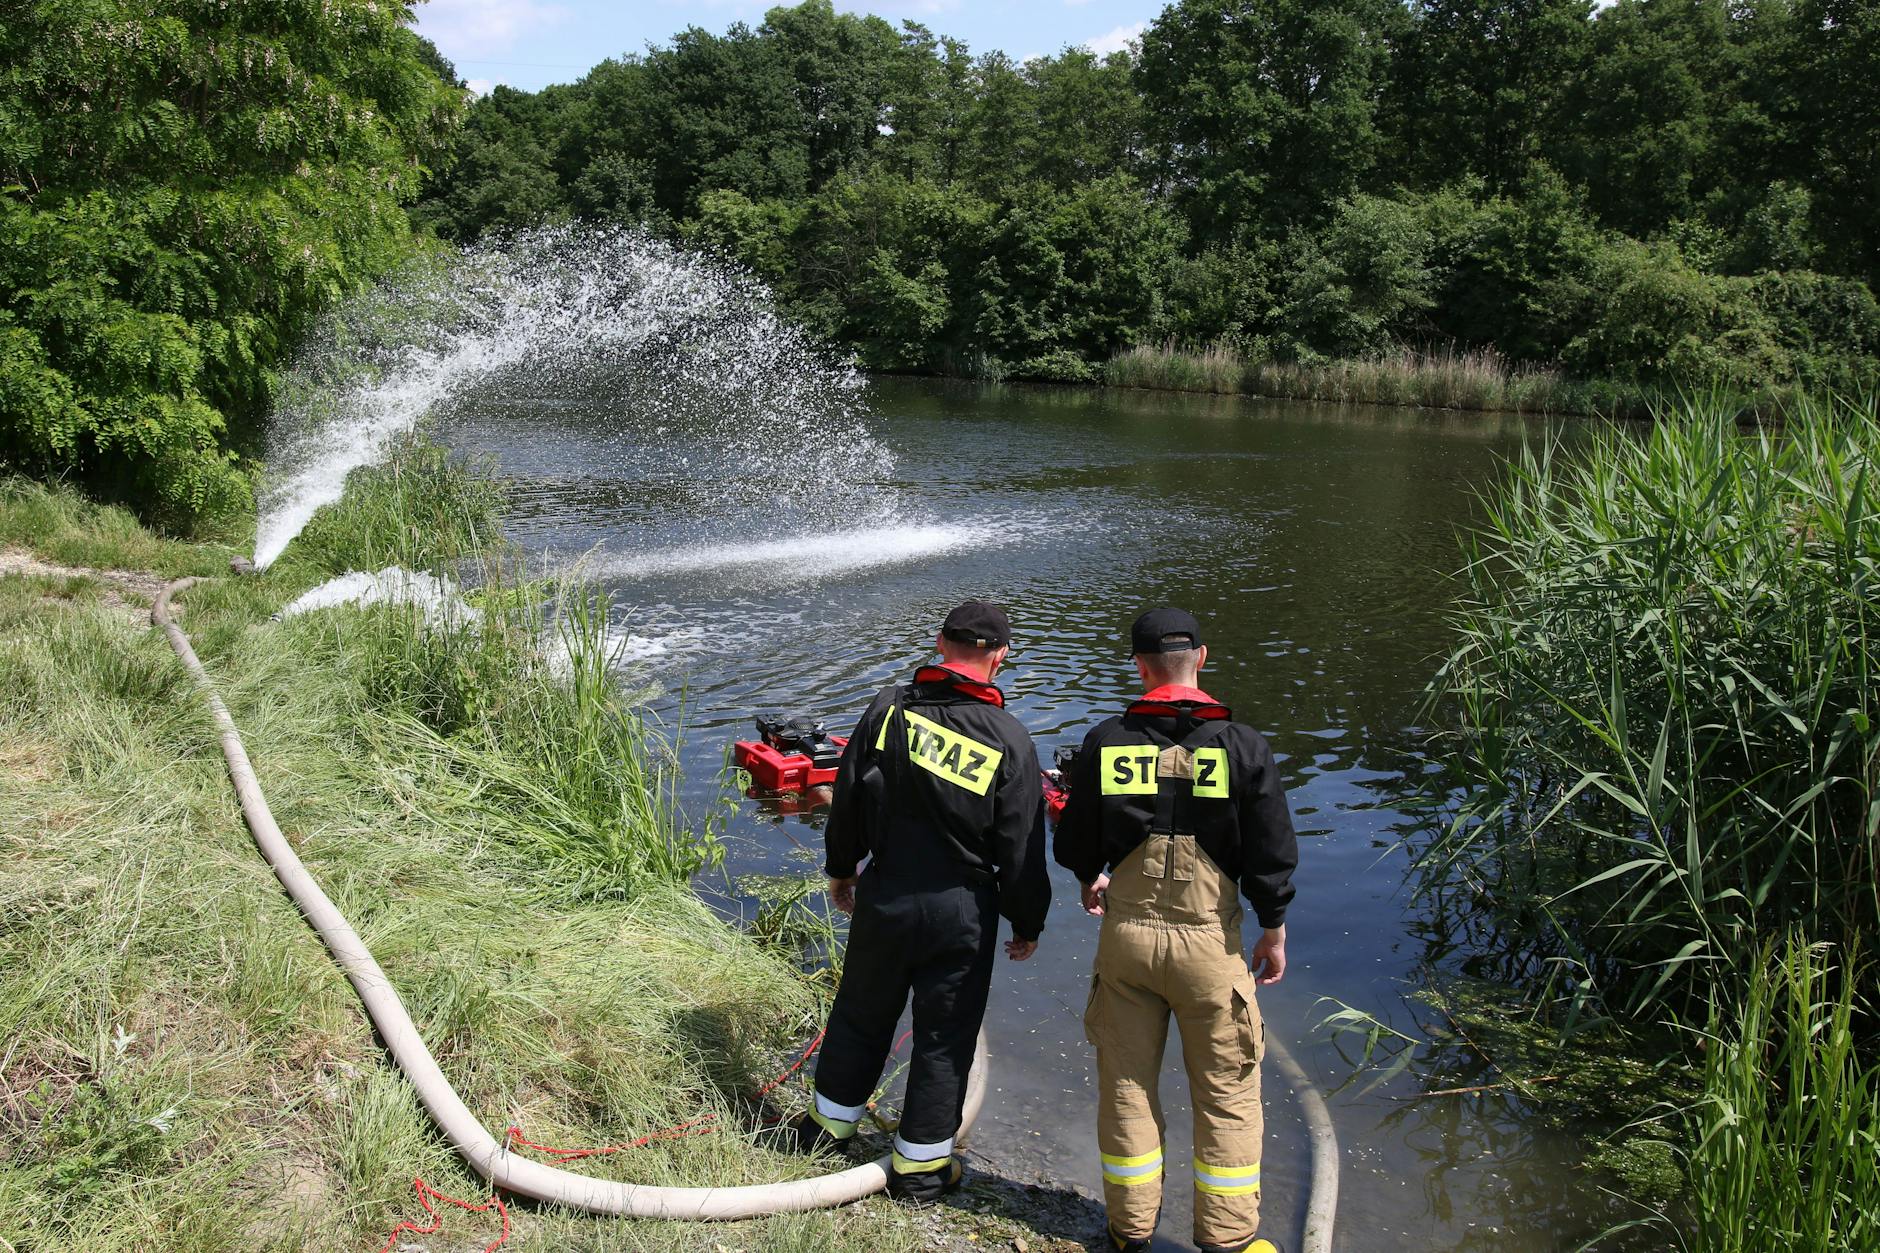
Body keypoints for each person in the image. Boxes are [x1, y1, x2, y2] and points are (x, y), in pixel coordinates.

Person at [1054, 608, 1299, 1253]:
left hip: (1127, 941)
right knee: (1227, 1095)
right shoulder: (1244, 746)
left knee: (1127, 1089)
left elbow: (1074, 842)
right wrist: (1273, 928)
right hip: (1209, 946)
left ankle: (1129, 1231)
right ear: (1203, 658)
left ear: (1139, 666)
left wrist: (1090, 875)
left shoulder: (1107, 740)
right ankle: (1229, 1241)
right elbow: (1272, 852)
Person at [795, 600, 1052, 1203]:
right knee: (945, 1036)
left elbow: (849, 798)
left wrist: (842, 871)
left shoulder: (888, 710)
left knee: (861, 1012)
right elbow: (1021, 846)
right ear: (1000, 657)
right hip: (962, 906)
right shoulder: (1009, 737)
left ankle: (826, 1130)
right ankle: (921, 1170)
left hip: (886, 891)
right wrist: (1028, 921)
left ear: (940, 643)